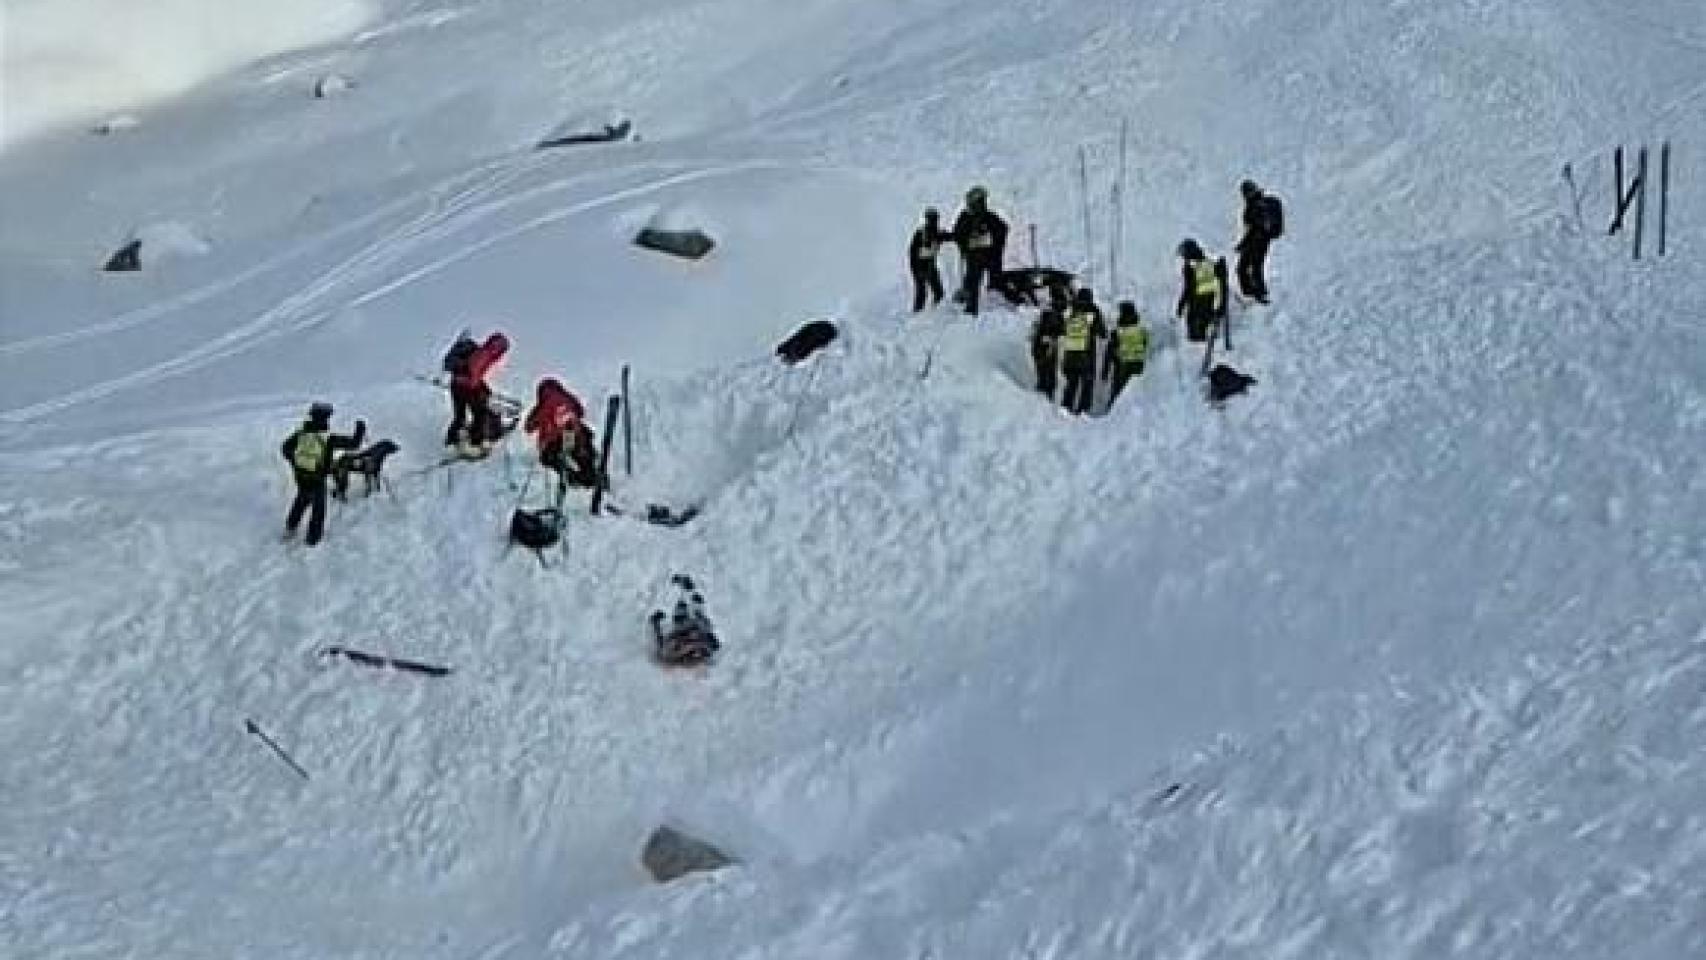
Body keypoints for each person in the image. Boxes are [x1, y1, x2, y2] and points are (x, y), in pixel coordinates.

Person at [281, 402, 365, 546]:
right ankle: (312, 540)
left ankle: (290, 528)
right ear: (326, 418)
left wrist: (296, 463)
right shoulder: (328, 438)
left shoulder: (301, 434)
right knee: (318, 509)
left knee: (301, 499)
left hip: (300, 475)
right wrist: (360, 429)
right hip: (317, 478)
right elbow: (354, 444)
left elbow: (285, 449)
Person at [523, 378, 598, 494]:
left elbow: (528, 427)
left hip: (555, 440)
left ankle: (572, 477)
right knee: (580, 454)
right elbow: (580, 412)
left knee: (550, 458)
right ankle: (591, 476)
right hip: (575, 433)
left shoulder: (542, 405)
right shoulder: (568, 397)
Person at [443, 331, 510, 456]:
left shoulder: (482, 352)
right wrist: (479, 389)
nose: (502, 354)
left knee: (460, 416)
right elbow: (472, 375)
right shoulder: (484, 355)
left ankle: (451, 442)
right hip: (466, 388)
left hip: (458, 386)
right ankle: (475, 443)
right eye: (502, 350)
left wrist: (483, 388)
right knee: (480, 414)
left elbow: (475, 375)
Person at [949, 185, 1008, 316]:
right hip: (976, 255)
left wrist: (995, 245)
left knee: (990, 278)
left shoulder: (989, 217)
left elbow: (1002, 230)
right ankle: (971, 305)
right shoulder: (966, 217)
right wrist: (965, 243)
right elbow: (957, 234)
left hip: (988, 255)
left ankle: (995, 301)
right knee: (973, 279)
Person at [1059, 287, 1106, 416]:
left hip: (1070, 354)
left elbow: (1062, 329)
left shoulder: (1070, 311)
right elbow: (1102, 332)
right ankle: (1083, 410)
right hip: (1087, 355)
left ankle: (1066, 408)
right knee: (1087, 384)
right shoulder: (1093, 312)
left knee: (1071, 383)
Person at [1235, 180, 1282, 303]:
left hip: (1258, 240)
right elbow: (1253, 229)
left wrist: (1243, 244)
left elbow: (1255, 228)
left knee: (1249, 267)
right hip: (1260, 240)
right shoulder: (1262, 203)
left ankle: (1257, 294)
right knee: (1250, 266)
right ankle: (1255, 293)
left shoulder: (1256, 206)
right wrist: (1243, 244)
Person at [1175, 239, 1227, 343]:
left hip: (1198, 301)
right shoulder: (1209, 263)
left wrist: (1181, 305)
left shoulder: (1190, 267)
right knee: (1205, 325)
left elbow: (1188, 289)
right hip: (1213, 299)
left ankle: (1199, 343)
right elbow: (1220, 281)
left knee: (1194, 331)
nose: (1183, 258)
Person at [1103, 301, 1149, 405]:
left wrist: (1105, 371)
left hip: (1122, 366)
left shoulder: (1117, 332)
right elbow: (1145, 346)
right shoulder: (1142, 331)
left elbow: (1109, 352)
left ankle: (1115, 412)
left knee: (1119, 395)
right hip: (1138, 365)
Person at [908, 207, 949, 312]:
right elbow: (912, 253)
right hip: (919, 266)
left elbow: (950, 236)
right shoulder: (920, 234)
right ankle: (917, 313)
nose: (934, 222)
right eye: (931, 219)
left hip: (930, 265)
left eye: (935, 219)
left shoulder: (938, 233)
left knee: (938, 291)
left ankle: (936, 312)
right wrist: (917, 270)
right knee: (922, 291)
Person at [1029, 286, 1067, 399]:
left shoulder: (1046, 313)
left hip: (1041, 348)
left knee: (1045, 376)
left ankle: (1042, 398)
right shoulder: (1054, 315)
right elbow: (1055, 332)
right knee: (1048, 378)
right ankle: (1043, 400)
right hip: (1045, 349)